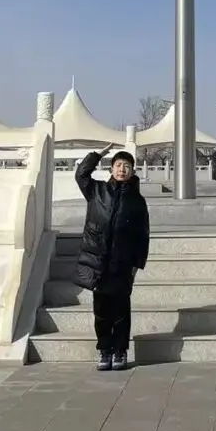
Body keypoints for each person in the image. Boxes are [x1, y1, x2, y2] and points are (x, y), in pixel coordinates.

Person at [74, 144, 149, 371]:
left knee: (121, 311)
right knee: (101, 311)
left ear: (133, 171)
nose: (122, 170)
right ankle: (104, 350)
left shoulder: (137, 200)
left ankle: (120, 351)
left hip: (123, 263)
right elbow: (81, 175)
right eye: (118, 165)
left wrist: (137, 264)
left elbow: (143, 235)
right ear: (111, 169)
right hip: (98, 262)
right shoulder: (96, 191)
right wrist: (97, 155)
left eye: (127, 166)